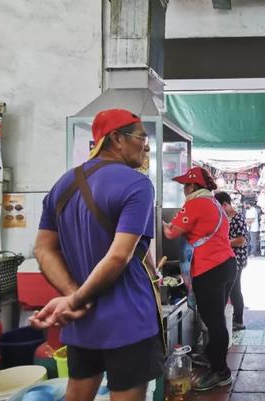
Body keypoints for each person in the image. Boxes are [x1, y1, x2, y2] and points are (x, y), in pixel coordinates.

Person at [30, 109, 163, 401]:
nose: (146, 145)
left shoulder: (63, 184)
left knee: (77, 394)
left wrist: (72, 296)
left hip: (82, 323)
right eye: (141, 137)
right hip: (128, 320)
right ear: (116, 139)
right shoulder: (137, 184)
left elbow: (43, 248)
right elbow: (119, 257)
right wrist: (75, 300)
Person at [163, 167, 237, 392]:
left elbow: (170, 233)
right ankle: (212, 356)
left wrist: (159, 220)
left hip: (209, 269)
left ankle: (221, 372)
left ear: (193, 186)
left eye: (185, 185)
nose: (184, 190)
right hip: (227, 265)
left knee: (214, 322)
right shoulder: (215, 203)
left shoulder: (195, 203)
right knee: (216, 319)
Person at [214, 191, 248, 331]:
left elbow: (241, 240)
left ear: (226, 204)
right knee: (230, 289)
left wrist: (224, 242)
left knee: (235, 290)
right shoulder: (225, 218)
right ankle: (233, 319)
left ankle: (238, 321)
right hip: (227, 259)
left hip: (237, 259)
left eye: (219, 206)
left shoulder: (237, 219)